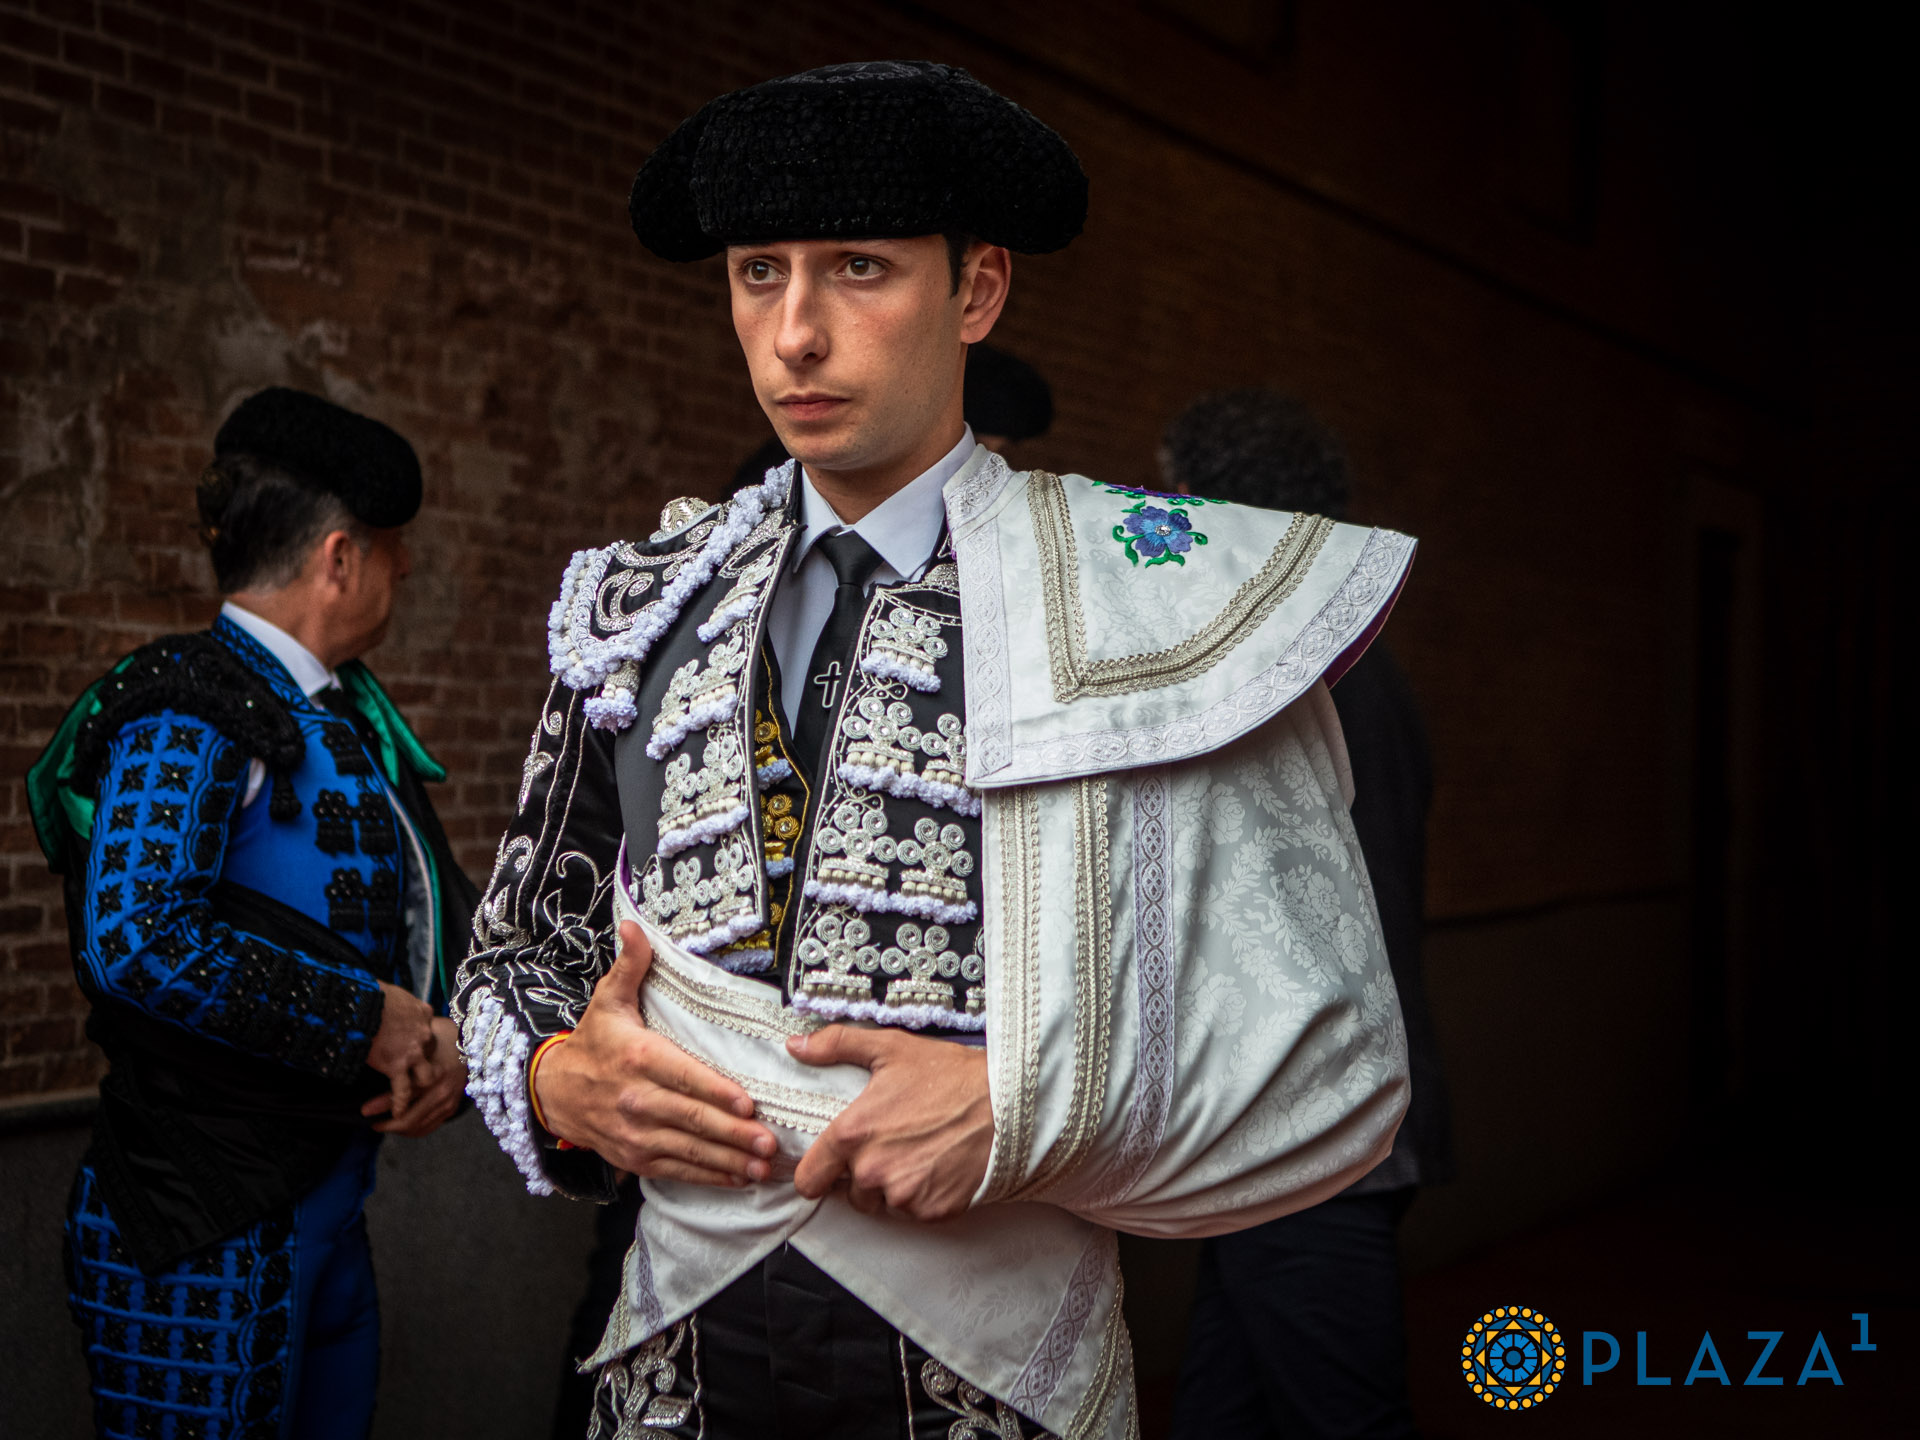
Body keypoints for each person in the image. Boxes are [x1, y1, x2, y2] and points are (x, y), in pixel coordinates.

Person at [457, 61, 1417, 1440]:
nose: (795, 334)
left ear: (978, 291)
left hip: (999, 1365)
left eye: (859, 268)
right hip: (679, 1350)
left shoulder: (1143, 603)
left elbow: (1318, 1041)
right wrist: (558, 1078)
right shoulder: (641, 602)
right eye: (758, 274)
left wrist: (1027, 1111)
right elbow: (518, 947)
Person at [27, 387, 479, 1440]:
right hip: (196, 1226)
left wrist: (447, 1046)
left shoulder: (343, 713)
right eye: (392, 549)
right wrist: (367, 1020)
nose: (406, 569)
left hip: (331, 1203)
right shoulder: (185, 704)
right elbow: (137, 940)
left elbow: (419, 920)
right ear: (338, 558)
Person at [1160, 388, 1455, 1440]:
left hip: (1315, 1126)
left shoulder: (1293, 680)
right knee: (1222, 1411)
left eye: (1175, 500)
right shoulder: (1354, 666)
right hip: (1306, 1121)